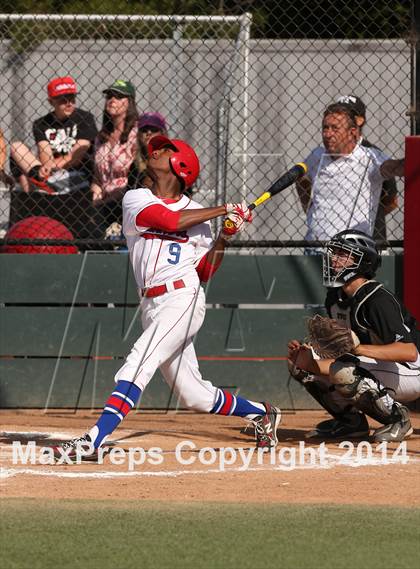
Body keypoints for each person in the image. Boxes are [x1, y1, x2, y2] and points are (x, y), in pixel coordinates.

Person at [54, 135, 281, 460]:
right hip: (151, 304)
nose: (156, 152)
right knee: (193, 396)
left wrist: (225, 237)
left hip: (183, 299)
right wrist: (225, 209)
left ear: (181, 166)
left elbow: (204, 272)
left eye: (166, 150)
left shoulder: (199, 217)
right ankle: (261, 413)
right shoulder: (136, 198)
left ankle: (94, 440)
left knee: (139, 361)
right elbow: (169, 220)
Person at [287, 230, 420, 442]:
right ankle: (351, 423)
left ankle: (398, 419)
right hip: (377, 367)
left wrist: (358, 349)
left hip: (411, 371)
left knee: (345, 370)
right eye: (334, 253)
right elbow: (341, 357)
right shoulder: (334, 298)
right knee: (301, 365)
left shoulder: (376, 298)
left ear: (362, 261)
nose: (333, 258)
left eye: (342, 253)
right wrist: (310, 364)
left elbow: (409, 352)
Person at [296, 103, 405, 250]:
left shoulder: (368, 158)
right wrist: (308, 208)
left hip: (351, 252)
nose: (328, 134)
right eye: (325, 128)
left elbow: (393, 168)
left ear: (352, 132)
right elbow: (301, 178)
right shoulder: (317, 154)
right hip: (314, 248)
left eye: (335, 128)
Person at [10, 76, 97, 193]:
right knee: (16, 147)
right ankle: (45, 183)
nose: (69, 103)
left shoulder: (85, 118)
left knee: (74, 172)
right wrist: (45, 169)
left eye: (72, 99)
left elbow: (77, 155)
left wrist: (52, 166)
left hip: (77, 173)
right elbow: (45, 154)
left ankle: (45, 185)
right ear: (51, 101)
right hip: (50, 174)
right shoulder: (41, 124)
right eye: (63, 100)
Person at [336, 95, 398, 244]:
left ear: (359, 120)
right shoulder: (329, 154)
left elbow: (391, 201)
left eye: (347, 115)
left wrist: (367, 211)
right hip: (337, 238)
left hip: (371, 239)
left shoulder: (374, 155)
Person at [90, 80, 139, 237]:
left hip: (127, 198)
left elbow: (138, 172)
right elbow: (98, 179)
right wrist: (94, 201)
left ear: (129, 102)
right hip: (104, 202)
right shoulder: (101, 138)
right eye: (109, 96)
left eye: (119, 97)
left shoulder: (136, 133)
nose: (112, 100)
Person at [126, 111, 169, 191]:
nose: (149, 133)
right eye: (144, 130)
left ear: (163, 134)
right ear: (139, 135)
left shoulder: (172, 161)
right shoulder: (135, 167)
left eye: (154, 129)